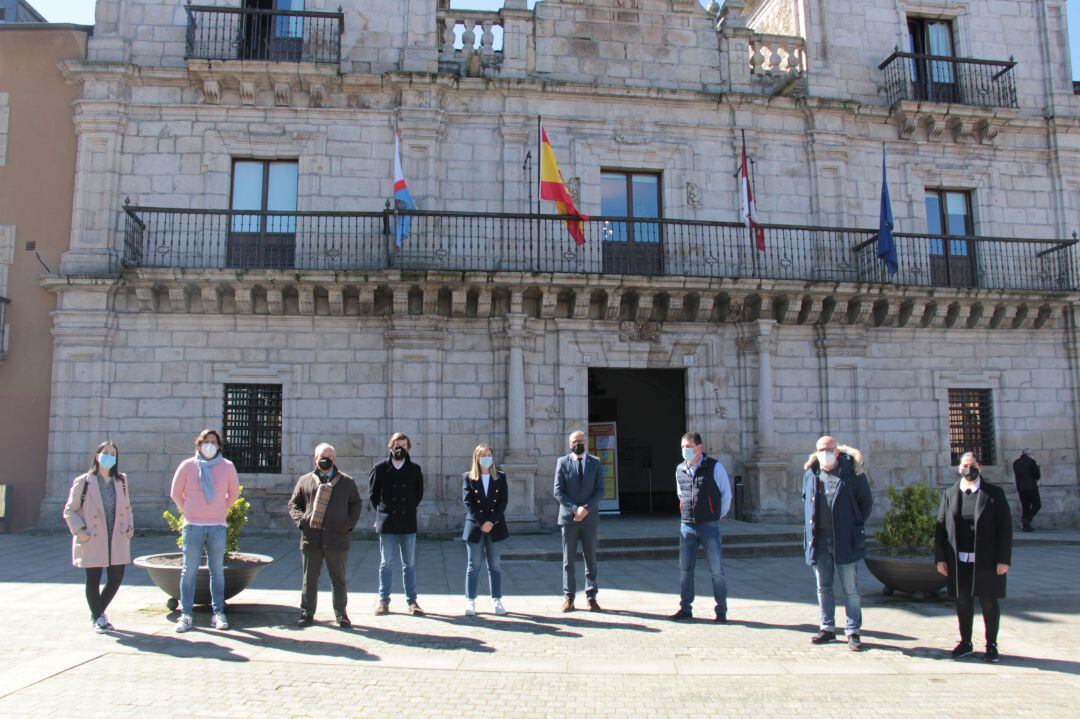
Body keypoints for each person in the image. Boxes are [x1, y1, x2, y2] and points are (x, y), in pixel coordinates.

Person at [936, 452, 1012, 663]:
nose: (969, 469)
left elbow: (1005, 529)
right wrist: (940, 558)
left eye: (973, 465)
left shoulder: (994, 494)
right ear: (959, 468)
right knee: (962, 602)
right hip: (958, 560)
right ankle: (965, 642)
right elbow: (941, 528)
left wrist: (1003, 559)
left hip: (987, 560)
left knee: (989, 601)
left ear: (980, 467)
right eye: (965, 465)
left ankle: (991, 645)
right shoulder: (950, 494)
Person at [801, 435, 873, 651]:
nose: (825, 452)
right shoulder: (811, 473)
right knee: (823, 587)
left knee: (850, 588)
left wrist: (852, 524)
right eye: (821, 449)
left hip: (845, 539)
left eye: (829, 449)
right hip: (820, 539)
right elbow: (806, 500)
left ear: (837, 451)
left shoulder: (853, 473)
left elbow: (866, 503)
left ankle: (853, 630)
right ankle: (827, 627)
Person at [169, 428, 239, 633]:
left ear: (219, 446)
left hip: (217, 526)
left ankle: (218, 612)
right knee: (188, 571)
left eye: (213, 442)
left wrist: (221, 508)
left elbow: (233, 492)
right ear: (199, 444)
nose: (209, 445)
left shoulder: (227, 466)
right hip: (193, 526)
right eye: (205, 441)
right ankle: (186, 614)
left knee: (217, 570)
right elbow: (175, 493)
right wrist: (189, 510)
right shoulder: (188, 466)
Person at [62, 441, 135, 633]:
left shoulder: (121, 481)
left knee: (116, 577)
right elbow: (70, 510)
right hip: (93, 536)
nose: (109, 456)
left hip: (117, 535)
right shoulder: (84, 481)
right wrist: (79, 531)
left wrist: (130, 527)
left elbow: (127, 507)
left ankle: (98, 613)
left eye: (113, 453)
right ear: (97, 456)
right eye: (105, 452)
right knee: (93, 579)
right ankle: (98, 617)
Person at [288, 443, 362, 627]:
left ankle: (341, 614)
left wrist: (347, 525)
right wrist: (302, 521)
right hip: (311, 538)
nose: (325, 459)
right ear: (315, 458)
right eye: (321, 456)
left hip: (337, 538)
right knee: (309, 579)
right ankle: (307, 612)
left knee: (338, 579)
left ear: (334, 459)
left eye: (329, 456)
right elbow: (293, 504)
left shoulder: (346, 482)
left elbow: (356, 504)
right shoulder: (305, 480)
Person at [669, 432, 732, 623]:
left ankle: (721, 611)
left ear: (699, 448)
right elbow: (681, 495)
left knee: (717, 570)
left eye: (688, 447)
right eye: (682, 447)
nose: (685, 451)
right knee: (685, 570)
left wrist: (715, 516)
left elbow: (726, 495)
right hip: (687, 525)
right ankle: (685, 608)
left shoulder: (714, 467)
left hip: (709, 526)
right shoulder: (680, 469)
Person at [369, 432, 424, 615]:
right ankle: (383, 601)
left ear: (408, 448)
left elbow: (418, 494)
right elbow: (373, 495)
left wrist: (407, 508)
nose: (400, 448)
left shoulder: (415, 469)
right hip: (388, 522)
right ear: (391, 446)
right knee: (386, 563)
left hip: (407, 521)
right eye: (397, 444)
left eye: (404, 445)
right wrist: (383, 513)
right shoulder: (379, 468)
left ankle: (412, 601)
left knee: (409, 563)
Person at [553, 430, 605, 612]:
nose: (578, 444)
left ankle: (591, 596)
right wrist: (575, 509)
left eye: (581, 440)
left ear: (586, 442)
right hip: (569, 518)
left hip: (589, 518)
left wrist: (586, 509)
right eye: (575, 441)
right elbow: (558, 491)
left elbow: (600, 490)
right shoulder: (562, 462)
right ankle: (569, 597)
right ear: (569, 444)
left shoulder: (595, 463)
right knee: (569, 560)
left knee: (591, 558)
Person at [461, 444, 510, 616]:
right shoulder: (469, 477)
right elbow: (468, 503)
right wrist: (482, 521)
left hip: (495, 526)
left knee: (495, 565)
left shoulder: (500, 477)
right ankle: (470, 600)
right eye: (483, 455)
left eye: (489, 454)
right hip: (475, 526)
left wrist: (491, 521)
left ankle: (496, 600)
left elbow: (503, 502)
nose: (487, 458)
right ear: (477, 458)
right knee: (473, 565)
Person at [1012, 448, 1041, 532]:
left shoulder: (1016, 463)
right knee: (1037, 505)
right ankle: (1027, 519)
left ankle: (1026, 527)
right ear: (1029, 454)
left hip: (1020, 488)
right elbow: (1037, 475)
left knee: (1025, 506)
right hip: (1031, 487)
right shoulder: (1031, 462)